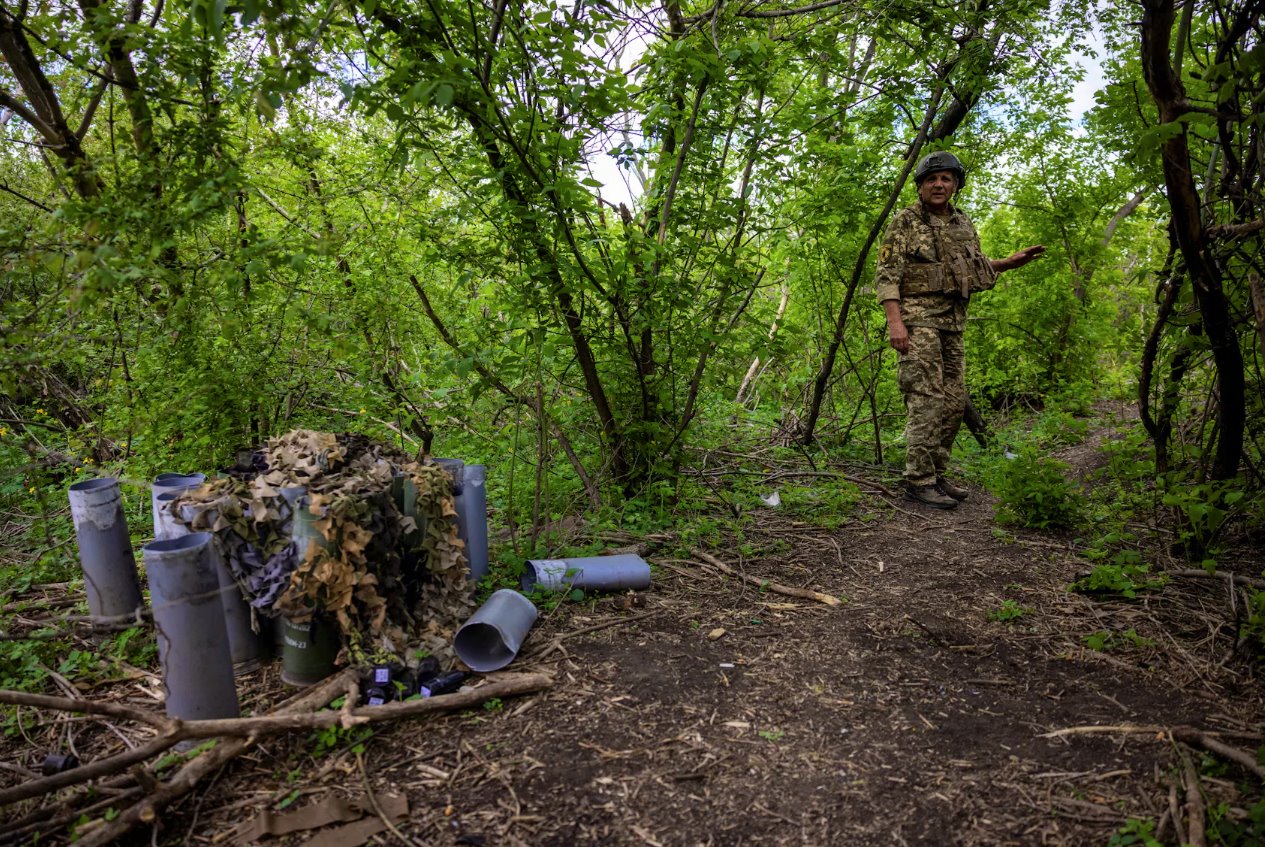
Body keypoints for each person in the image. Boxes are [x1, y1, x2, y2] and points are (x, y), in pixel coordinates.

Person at [875, 151, 1045, 509]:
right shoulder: (905, 221)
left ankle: (936, 473)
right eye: (932, 179)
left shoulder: (962, 223)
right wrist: (896, 323)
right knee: (925, 398)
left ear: (955, 185)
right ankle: (918, 480)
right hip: (917, 320)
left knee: (953, 401)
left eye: (947, 179)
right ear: (921, 185)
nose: (939, 184)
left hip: (952, 322)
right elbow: (887, 275)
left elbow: (971, 268)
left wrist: (1008, 264)